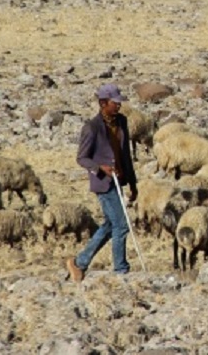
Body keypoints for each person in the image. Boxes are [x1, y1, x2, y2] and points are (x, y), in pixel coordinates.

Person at [66, 83, 138, 282]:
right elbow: (82, 158)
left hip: (120, 179)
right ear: (103, 103)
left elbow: (126, 155)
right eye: (115, 103)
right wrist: (100, 168)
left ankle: (79, 263)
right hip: (103, 183)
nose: (118, 106)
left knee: (109, 225)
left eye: (119, 103)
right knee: (121, 225)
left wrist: (133, 183)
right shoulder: (92, 127)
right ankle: (120, 270)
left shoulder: (121, 122)